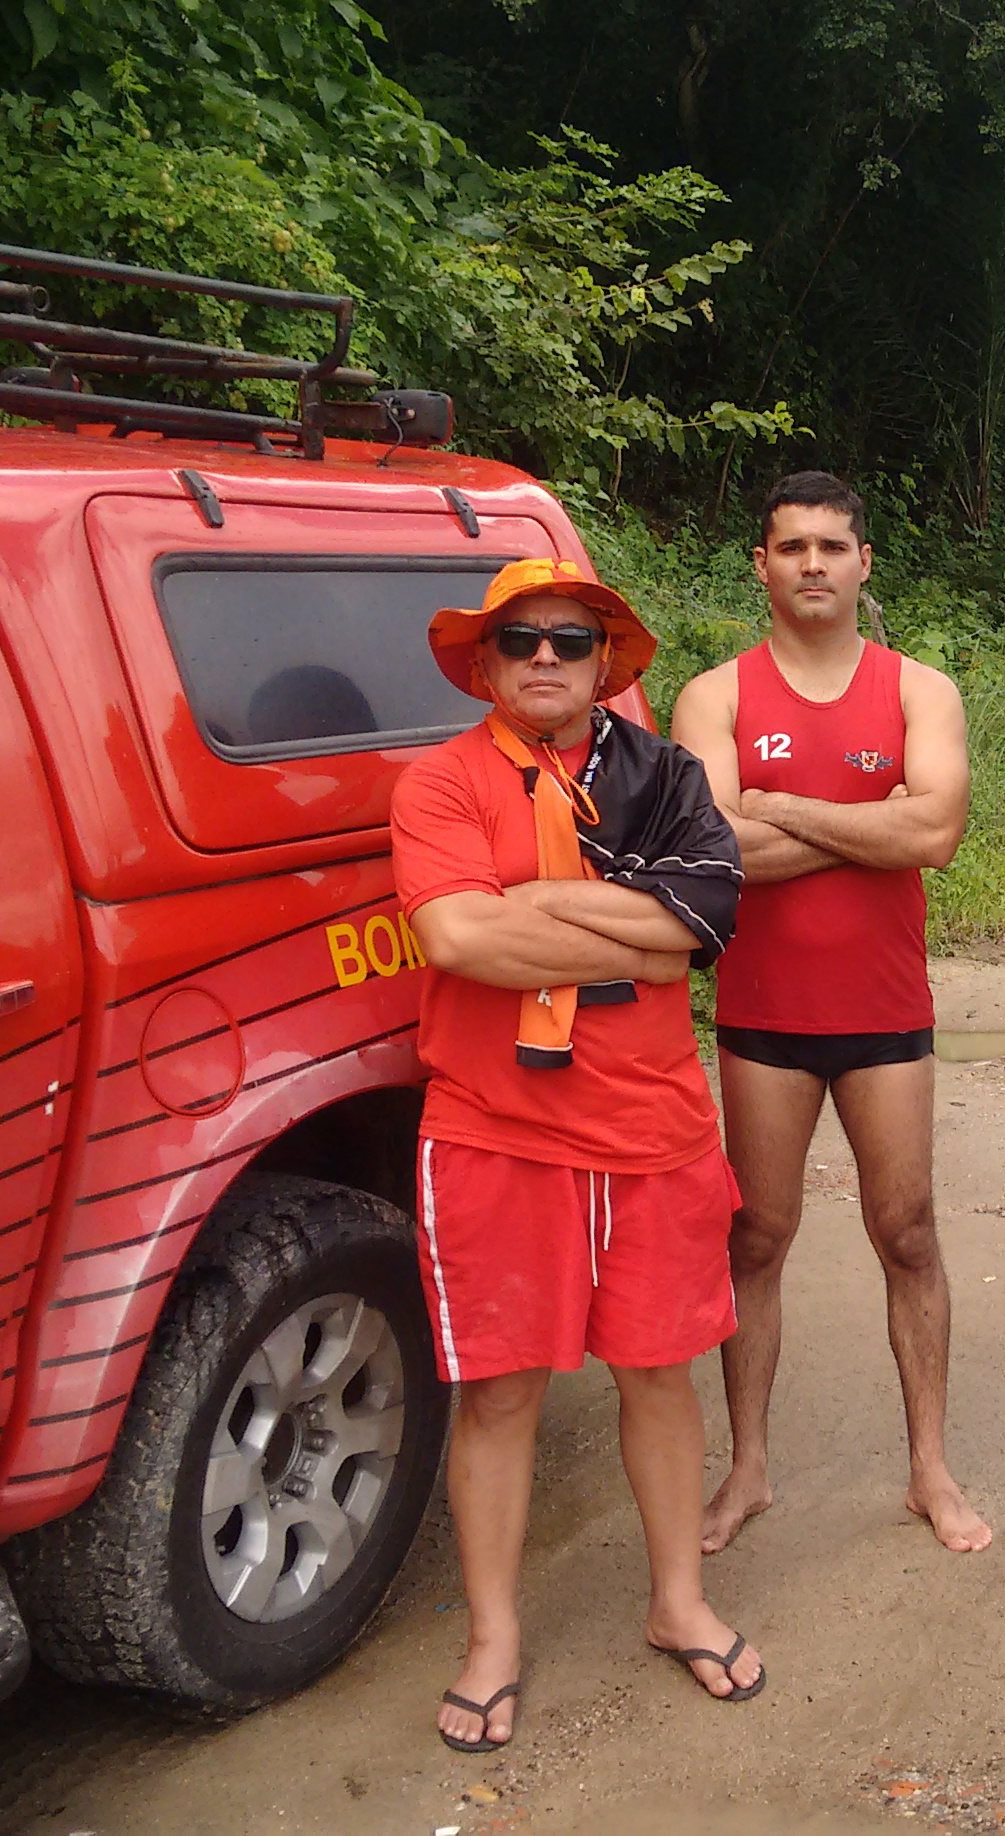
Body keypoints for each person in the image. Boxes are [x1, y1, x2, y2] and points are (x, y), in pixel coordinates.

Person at [395, 557, 764, 1754]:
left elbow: (703, 922)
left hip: (652, 1127)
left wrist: (539, 908)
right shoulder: (439, 783)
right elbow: (456, 935)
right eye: (519, 643)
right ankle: (493, 1636)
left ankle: (678, 1602)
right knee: (500, 1391)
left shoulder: (666, 778)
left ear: (607, 661)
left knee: (661, 1372)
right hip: (494, 1133)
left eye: (568, 640)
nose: (544, 658)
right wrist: (634, 937)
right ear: (485, 664)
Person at [669, 470, 990, 1555]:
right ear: (762, 565)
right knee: (755, 1236)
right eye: (792, 547)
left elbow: (937, 835)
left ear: (863, 565)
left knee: (907, 1231)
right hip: (763, 1017)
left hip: (886, 1013)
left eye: (832, 547)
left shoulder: (918, 690)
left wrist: (781, 815)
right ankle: (749, 1469)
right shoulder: (715, 697)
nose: (813, 564)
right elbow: (712, 855)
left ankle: (930, 1470)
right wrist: (871, 816)